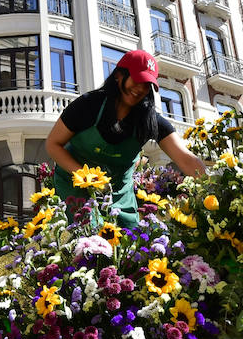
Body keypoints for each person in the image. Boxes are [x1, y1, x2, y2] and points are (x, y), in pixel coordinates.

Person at [45, 49, 206, 227]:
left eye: (147, 84)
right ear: (119, 76)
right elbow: (53, 144)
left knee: (129, 238)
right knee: (86, 234)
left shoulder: (149, 120)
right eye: (137, 80)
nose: (140, 89)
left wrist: (214, 188)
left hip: (118, 192)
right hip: (74, 186)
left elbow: (185, 159)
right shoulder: (88, 105)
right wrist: (86, 177)